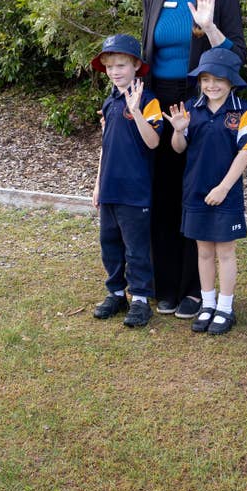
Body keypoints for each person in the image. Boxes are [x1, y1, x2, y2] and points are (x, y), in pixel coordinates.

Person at [141, 0, 247, 318]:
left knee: (196, 192)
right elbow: (144, 59)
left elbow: (237, 56)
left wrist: (208, 26)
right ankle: (165, 285)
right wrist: (126, 104)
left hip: (202, 103)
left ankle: (193, 290)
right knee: (163, 193)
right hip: (160, 103)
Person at [163, 48, 247, 334]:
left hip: (226, 193)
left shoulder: (244, 111)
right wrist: (179, 131)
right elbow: (179, 148)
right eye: (205, 79)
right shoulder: (191, 108)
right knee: (203, 251)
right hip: (195, 190)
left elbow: (245, 154)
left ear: (231, 81)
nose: (211, 85)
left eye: (218, 78)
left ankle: (225, 309)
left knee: (225, 251)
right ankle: (208, 304)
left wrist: (223, 187)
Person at [90, 33, 163, 328]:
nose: (115, 72)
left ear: (136, 65)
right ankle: (116, 293)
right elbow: (106, 147)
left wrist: (135, 111)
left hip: (135, 190)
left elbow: (154, 142)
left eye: (121, 65)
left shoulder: (148, 100)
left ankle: (141, 300)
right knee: (110, 243)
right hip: (110, 187)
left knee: (136, 248)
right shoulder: (109, 102)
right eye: (110, 67)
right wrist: (97, 184)